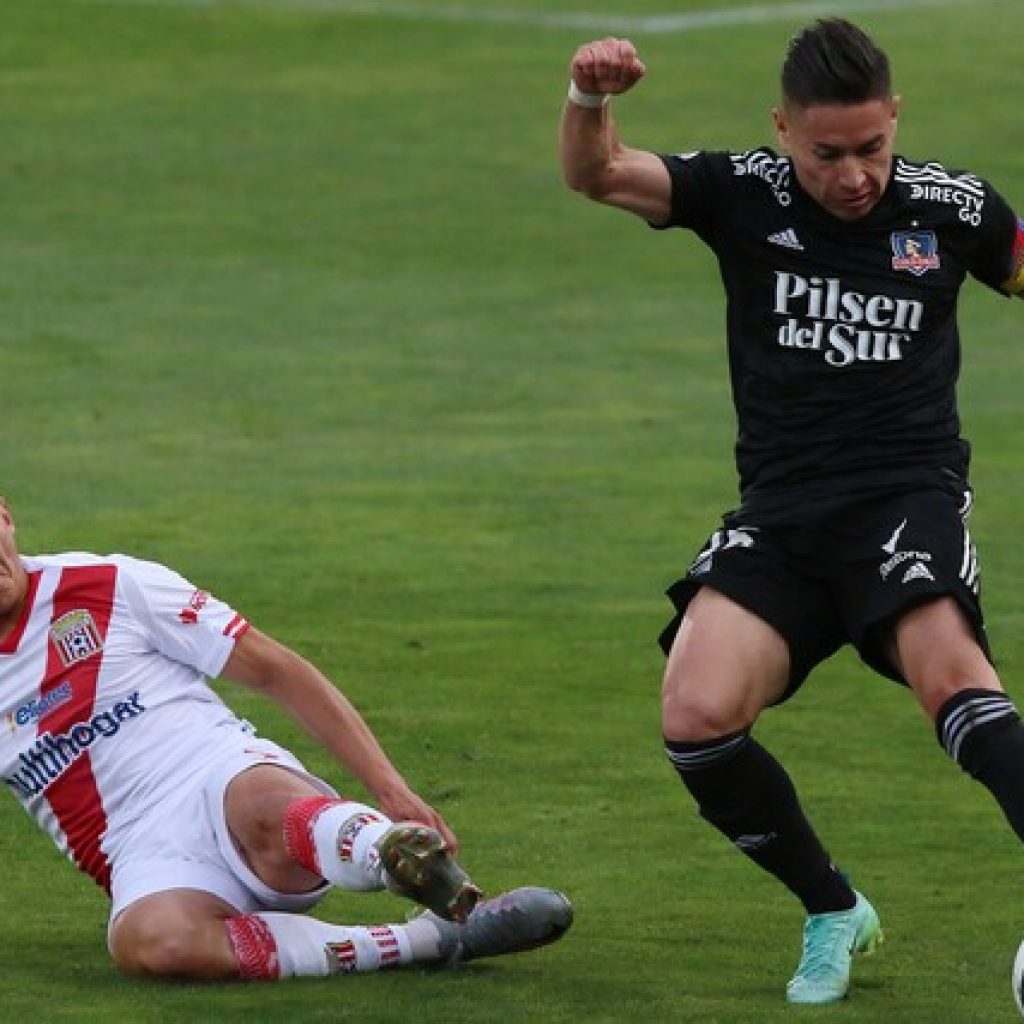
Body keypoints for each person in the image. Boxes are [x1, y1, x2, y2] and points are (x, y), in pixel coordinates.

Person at [560, 18, 1024, 1006]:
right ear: (782, 129)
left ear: (894, 119)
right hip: (781, 515)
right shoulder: (740, 194)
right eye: (826, 153)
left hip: (906, 497)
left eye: (871, 148)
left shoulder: (954, 210)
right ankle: (830, 905)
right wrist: (590, 99)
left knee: (951, 684)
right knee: (695, 716)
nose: (853, 174)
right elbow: (597, 176)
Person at [0, 496, 571, 981]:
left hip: (216, 773)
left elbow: (276, 670)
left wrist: (390, 789)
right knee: (153, 945)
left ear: (6, 517)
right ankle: (428, 941)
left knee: (268, 808)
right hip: (140, 852)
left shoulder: (110, 584)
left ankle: (390, 851)